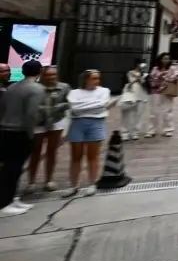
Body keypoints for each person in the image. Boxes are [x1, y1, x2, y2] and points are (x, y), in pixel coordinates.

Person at [0, 61, 45, 215]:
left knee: (11, 167)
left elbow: (3, 109)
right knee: (13, 167)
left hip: (6, 130)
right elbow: (31, 114)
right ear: (40, 71)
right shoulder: (37, 89)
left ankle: (12, 198)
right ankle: (5, 202)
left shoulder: (11, 87)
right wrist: (31, 134)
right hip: (20, 132)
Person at [63, 69, 115, 198]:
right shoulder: (74, 92)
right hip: (77, 124)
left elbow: (102, 105)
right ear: (86, 79)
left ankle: (92, 183)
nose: (97, 81)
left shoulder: (104, 91)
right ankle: (73, 185)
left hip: (96, 123)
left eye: (98, 78)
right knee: (76, 156)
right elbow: (74, 108)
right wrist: (95, 106)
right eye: (94, 78)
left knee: (93, 156)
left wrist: (85, 106)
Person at [27, 66, 70, 193]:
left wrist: (59, 106)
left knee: (52, 152)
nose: (51, 77)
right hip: (38, 123)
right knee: (35, 152)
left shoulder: (64, 87)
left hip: (56, 122)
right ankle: (31, 182)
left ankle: (49, 180)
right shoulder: (35, 88)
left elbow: (70, 102)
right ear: (42, 75)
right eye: (48, 75)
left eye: (54, 75)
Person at [147, 52, 178, 138]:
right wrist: (160, 76)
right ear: (160, 59)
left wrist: (173, 77)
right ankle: (151, 130)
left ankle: (168, 130)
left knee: (167, 111)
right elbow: (151, 79)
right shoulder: (155, 69)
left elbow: (176, 79)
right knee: (153, 112)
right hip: (155, 92)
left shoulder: (172, 69)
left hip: (167, 92)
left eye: (168, 58)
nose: (166, 60)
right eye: (164, 58)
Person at [119, 60, 148, 141]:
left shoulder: (145, 75)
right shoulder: (129, 73)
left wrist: (141, 78)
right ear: (136, 64)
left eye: (144, 64)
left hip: (141, 96)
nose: (142, 66)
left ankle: (135, 132)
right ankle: (125, 133)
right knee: (126, 115)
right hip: (130, 96)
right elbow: (124, 84)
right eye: (141, 64)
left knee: (139, 115)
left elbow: (147, 86)